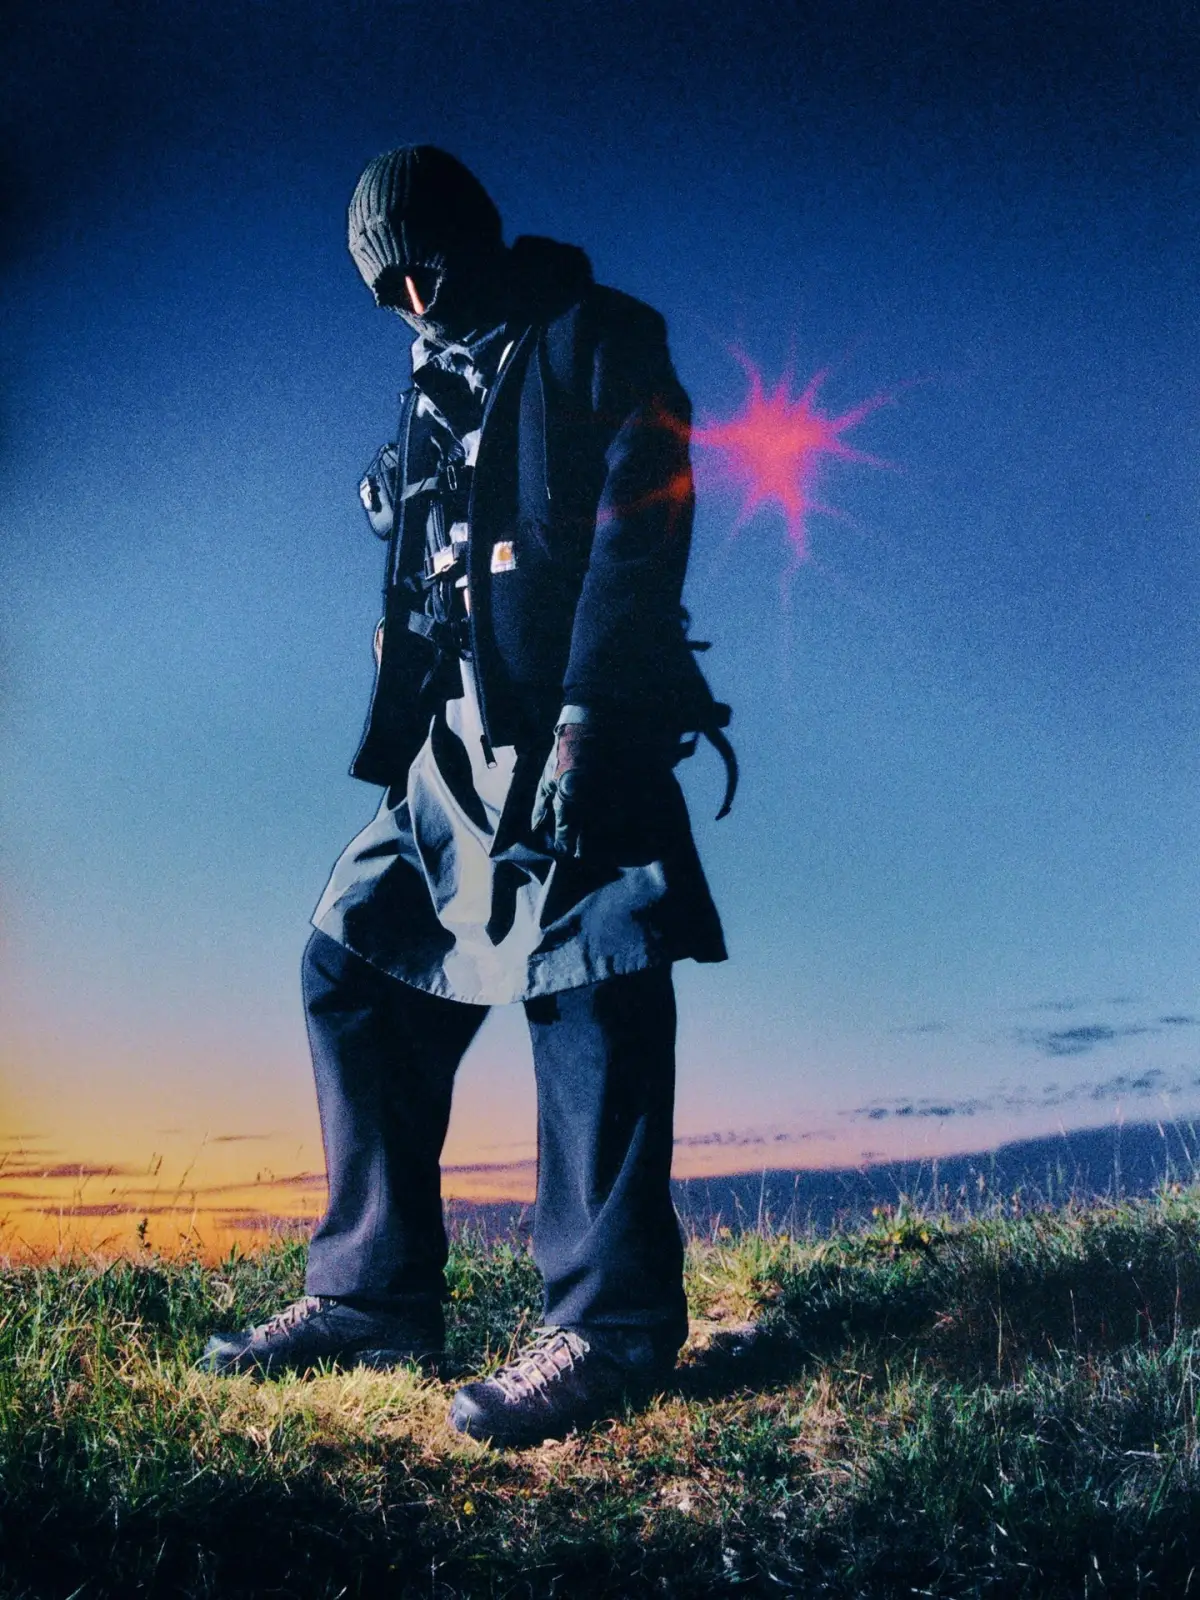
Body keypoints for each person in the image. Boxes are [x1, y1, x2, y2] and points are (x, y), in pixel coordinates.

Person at [200, 145, 733, 1448]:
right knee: (354, 957)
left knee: (592, 978)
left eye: (422, 269)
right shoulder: (430, 384)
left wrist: (592, 715)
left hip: (577, 724)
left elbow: (643, 521)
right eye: (383, 287)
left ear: (472, 236)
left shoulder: (598, 336)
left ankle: (611, 1330)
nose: (409, 302)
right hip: (452, 744)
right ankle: (372, 1299)